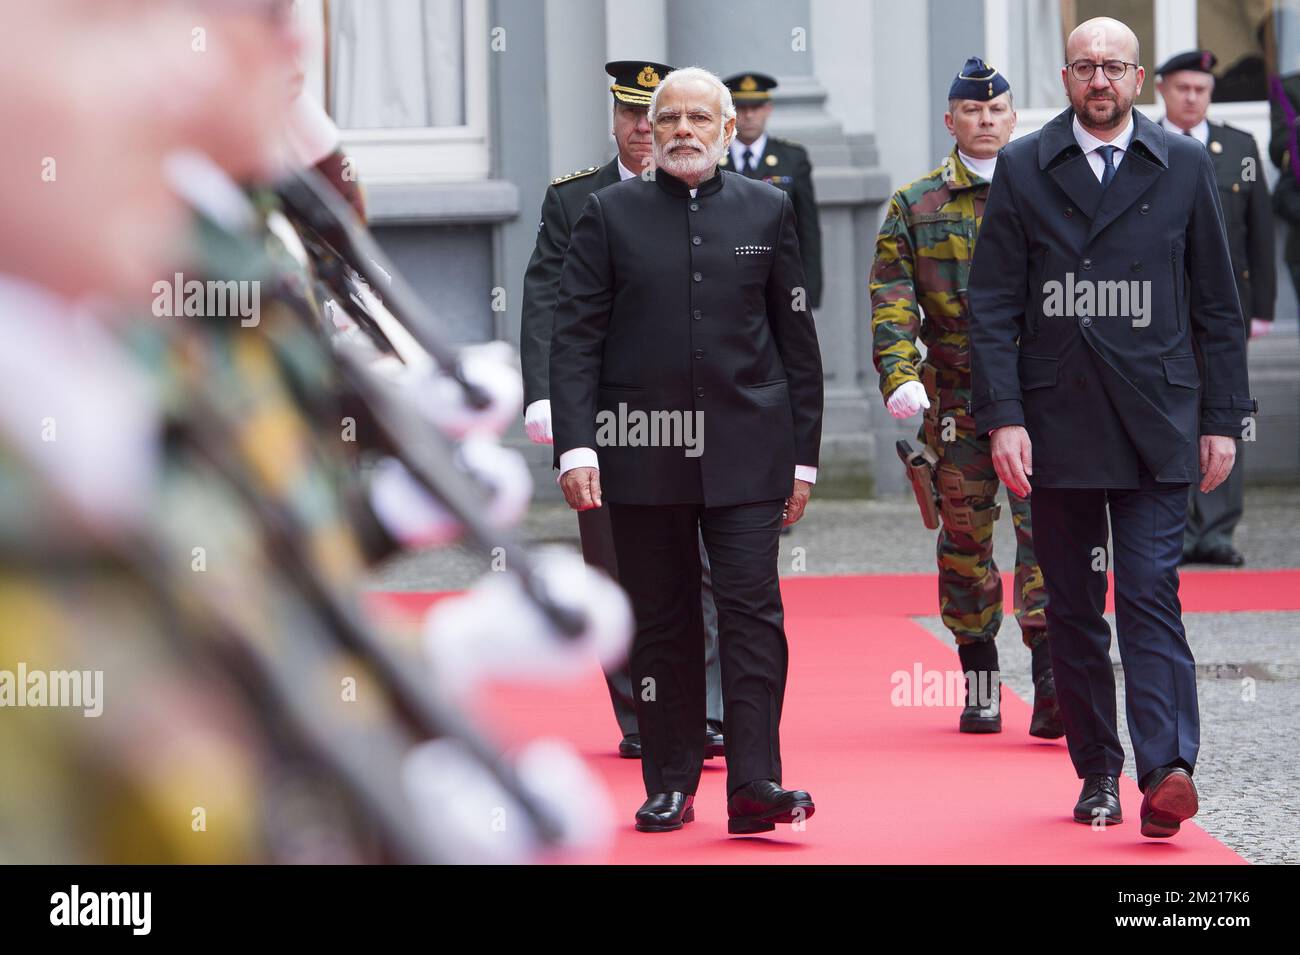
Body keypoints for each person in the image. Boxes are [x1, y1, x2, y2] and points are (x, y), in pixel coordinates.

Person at [969, 17, 1254, 838]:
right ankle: (1098, 769)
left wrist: (1224, 419)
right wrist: (1004, 418)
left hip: (1157, 418)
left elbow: (1216, 306)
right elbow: (990, 305)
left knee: (1149, 593)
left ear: (1137, 78)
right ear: (1066, 77)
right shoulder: (1025, 165)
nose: (1101, 80)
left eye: (1115, 67)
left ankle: (1166, 768)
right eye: (1085, 66)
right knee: (1073, 607)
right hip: (1055, 421)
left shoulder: (1184, 163)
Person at [549, 66, 824, 834]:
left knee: (751, 612)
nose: (680, 130)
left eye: (699, 117)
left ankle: (755, 780)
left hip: (748, 452)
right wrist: (578, 448)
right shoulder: (607, 214)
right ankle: (669, 779)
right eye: (667, 117)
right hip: (642, 453)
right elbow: (575, 341)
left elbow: (796, 343)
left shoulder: (768, 209)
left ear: (728, 130)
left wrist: (804, 457)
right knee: (662, 619)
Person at [519, 60, 726, 760]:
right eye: (634, 114)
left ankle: (711, 711)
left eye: (657, 113)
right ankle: (642, 714)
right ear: (615, 119)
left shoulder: (712, 194)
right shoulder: (577, 200)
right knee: (615, 564)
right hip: (607, 416)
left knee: (703, 563)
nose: (646, 128)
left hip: (694, 417)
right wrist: (547, 394)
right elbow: (547, 301)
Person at [871, 57, 1061, 739]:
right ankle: (980, 680)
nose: (985, 120)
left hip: (1042, 399)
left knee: (1050, 538)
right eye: (972, 111)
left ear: (1013, 118)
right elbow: (892, 303)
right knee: (964, 542)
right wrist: (899, 375)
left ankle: (1050, 683)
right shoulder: (916, 203)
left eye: (997, 110)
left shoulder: (1050, 191)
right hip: (957, 400)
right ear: (950, 121)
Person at [1155, 49, 1275, 567]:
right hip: (1157, 309)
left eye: (1200, 89)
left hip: (1224, 309)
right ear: (1161, 89)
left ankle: (1218, 530)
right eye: (1182, 87)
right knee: (1167, 410)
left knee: (1226, 410)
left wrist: (1262, 306)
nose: (1191, 97)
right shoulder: (1141, 145)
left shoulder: (1239, 149)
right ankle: (1176, 527)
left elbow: (1260, 235)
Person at [720, 72, 823, 311]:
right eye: (741, 107)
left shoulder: (792, 159)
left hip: (779, 281)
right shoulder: (714, 160)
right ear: (731, 113)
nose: (748, 115)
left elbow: (807, 230)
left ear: (768, 109)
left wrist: (808, 292)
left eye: (755, 107)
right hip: (725, 280)